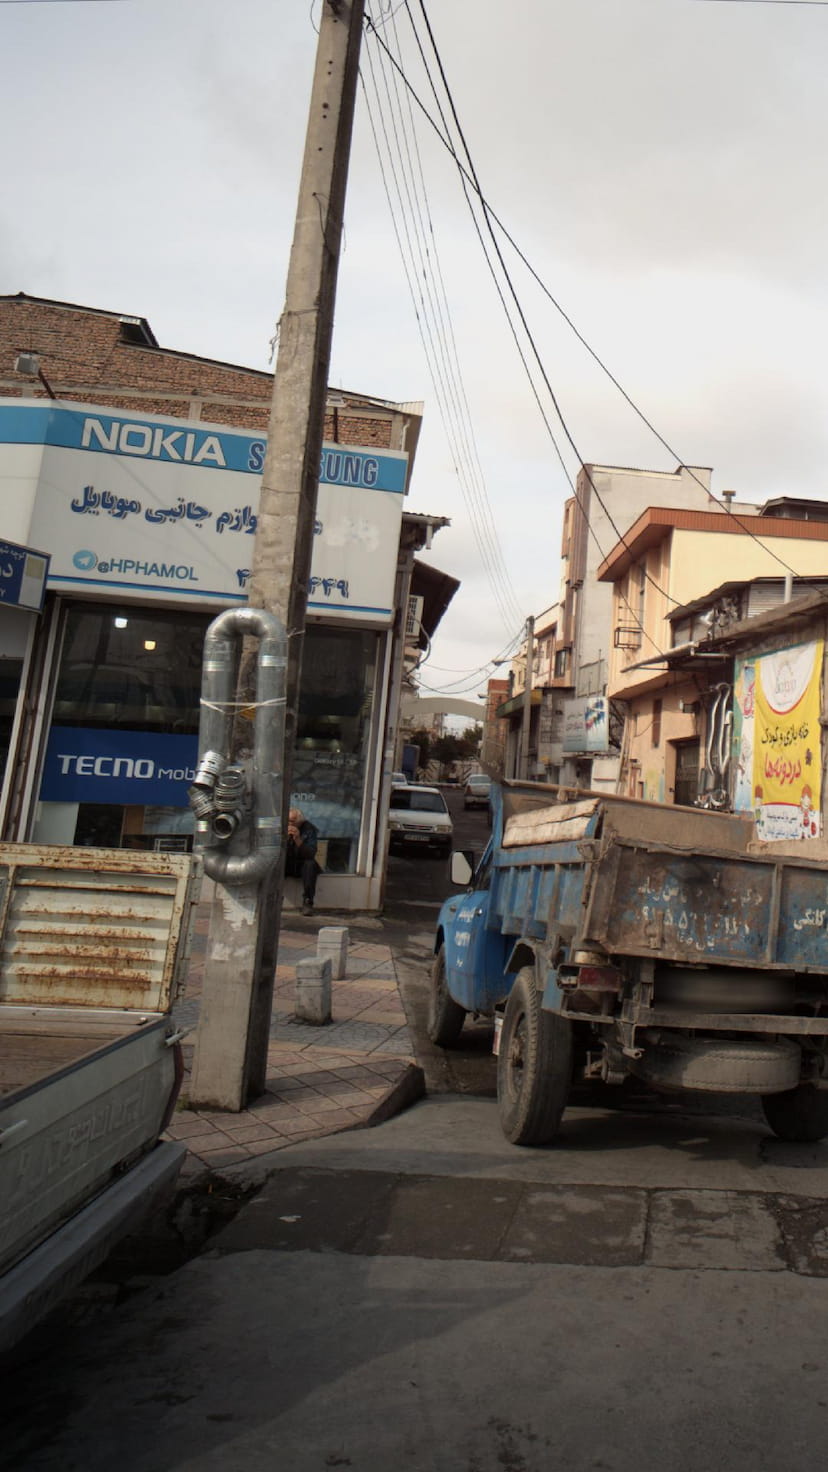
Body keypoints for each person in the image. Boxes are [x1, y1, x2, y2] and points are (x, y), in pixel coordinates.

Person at [286, 806, 320, 916]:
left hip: (301, 864)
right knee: (273, 862)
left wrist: (298, 840)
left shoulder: (309, 830)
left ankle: (308, 901)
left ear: (299, 822)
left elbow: (310, 854)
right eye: (287, 821)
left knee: (311, 865)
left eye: (292, 821)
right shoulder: (281, 827)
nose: (289, 824)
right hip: (286, 862)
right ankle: (273, 897)